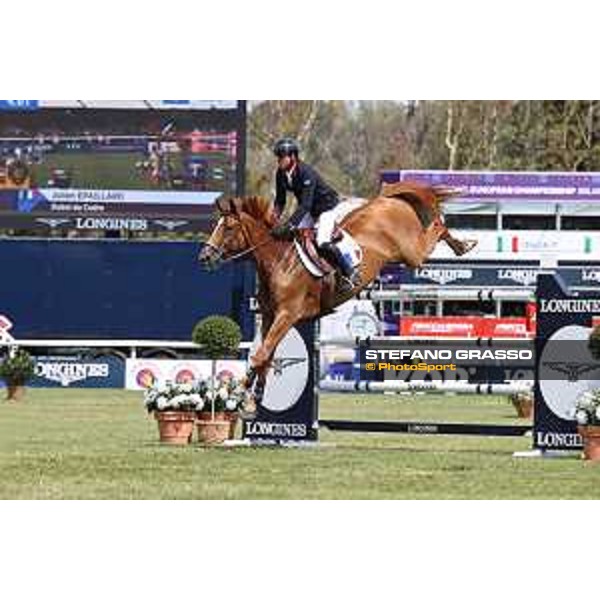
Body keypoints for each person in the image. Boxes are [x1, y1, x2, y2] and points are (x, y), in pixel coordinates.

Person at [270, 138, 360, 287]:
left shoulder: (306, 173)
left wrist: (290, 224)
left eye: (281, 157)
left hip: (327, 208)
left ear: (292, 157)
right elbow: (280, 201)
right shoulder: (280, 174)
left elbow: (305, 204)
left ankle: (349, 271)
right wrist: (273, 218)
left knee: (322, 241)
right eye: (278, 157)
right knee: (291, 238)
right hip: (311, 210)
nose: (278, 160)